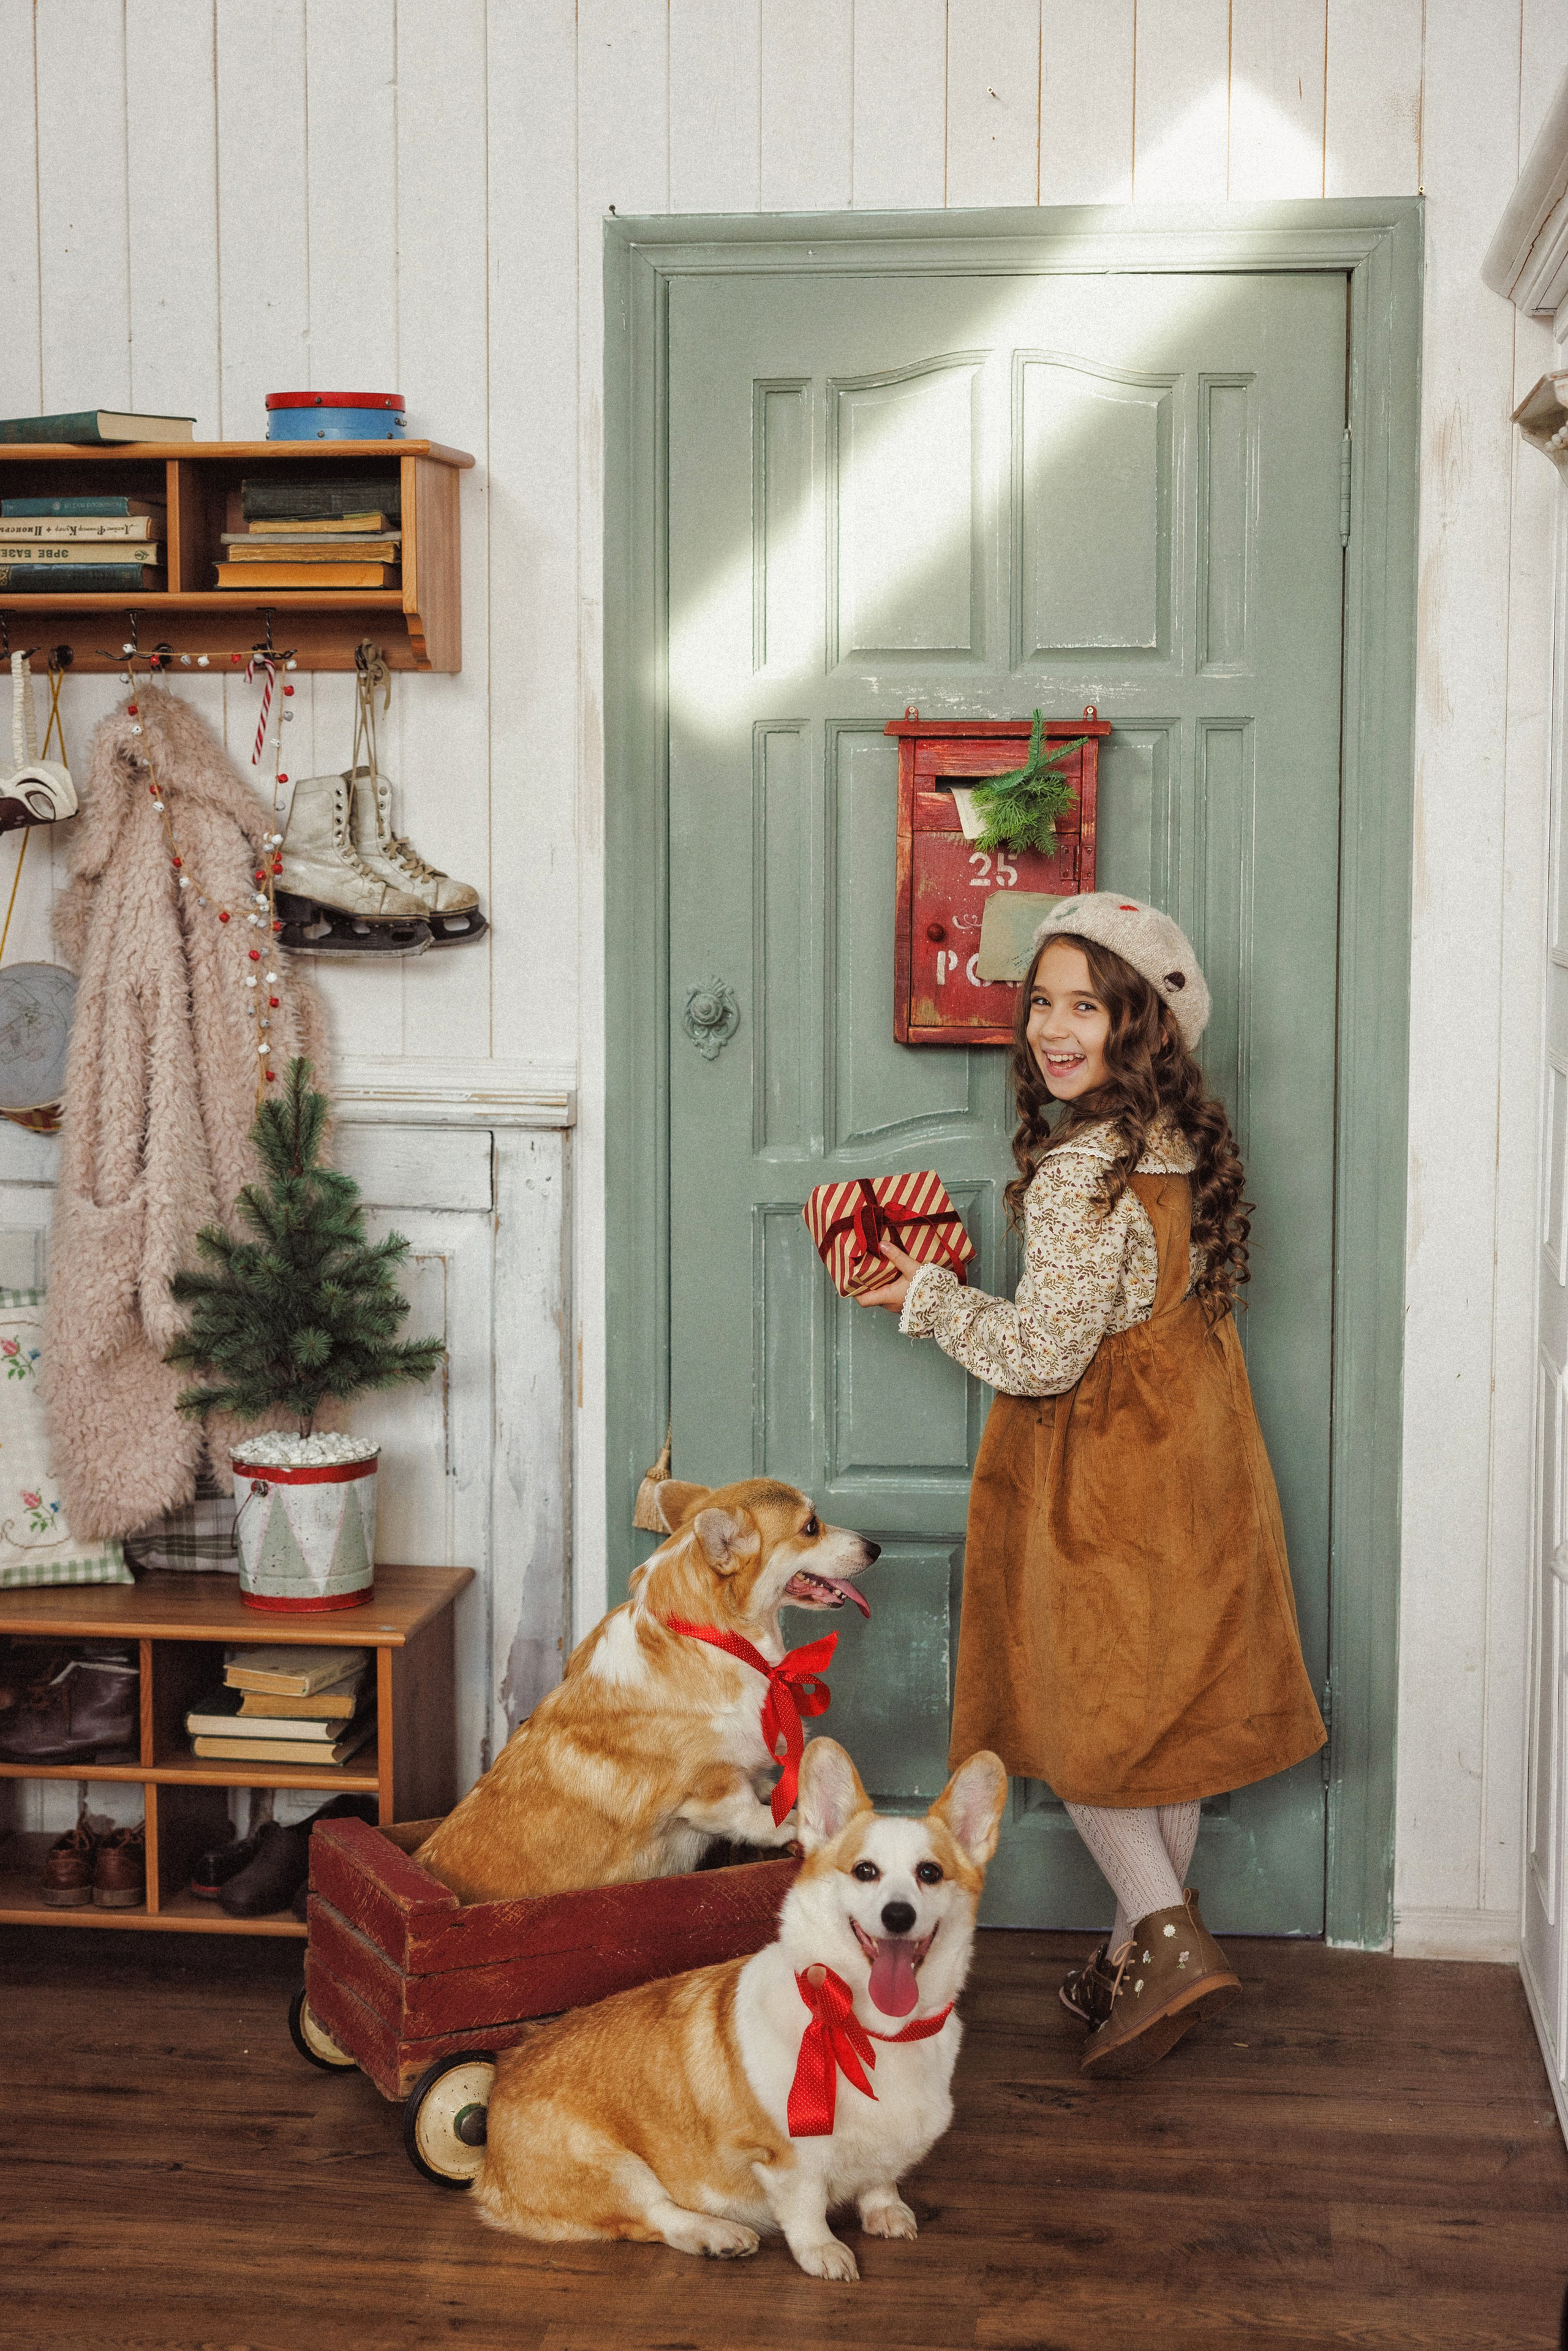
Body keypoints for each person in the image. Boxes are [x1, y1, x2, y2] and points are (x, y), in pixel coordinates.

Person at [856, 893, 1325, 2077]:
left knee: (1090, 1722)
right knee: (1159, 1723)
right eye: (1042, 1002)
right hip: (1201, 1465)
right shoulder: (1179, 1145)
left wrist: (927, 1295)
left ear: (1140, 1026)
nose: (1053, 1030)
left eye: (1087, 1008)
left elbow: (1043, 1355)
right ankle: (1129, 1961)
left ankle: (1165, 1935)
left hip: (1105, 1476)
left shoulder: (1081, 1174)